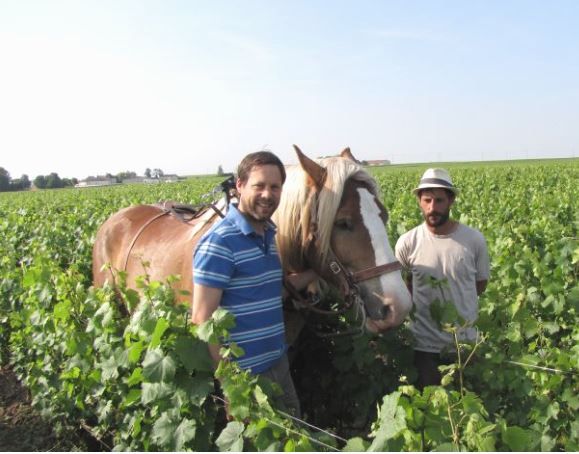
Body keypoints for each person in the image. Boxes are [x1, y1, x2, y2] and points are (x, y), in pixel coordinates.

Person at [191, 150, 308, 417]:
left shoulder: (269, 234)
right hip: (246, 379)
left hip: (278, 363)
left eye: (275, 187)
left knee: (294, 433)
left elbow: (269, 292)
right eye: (259, 186)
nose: (268, 194)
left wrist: (315, 273)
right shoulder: (220, 242)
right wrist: (231, 385)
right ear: (240, 186)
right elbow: (202, 320)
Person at [395, 168, 490, 389]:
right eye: (427, 200)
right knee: (429, 408)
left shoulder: (473, 240)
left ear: (451, 201)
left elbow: (480, 284)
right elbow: (404, 287)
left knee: (467, 408)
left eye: (439, 200)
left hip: (464, 345)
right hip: (424, 346)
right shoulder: (408, 242)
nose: (432, 208)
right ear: (419, 201)